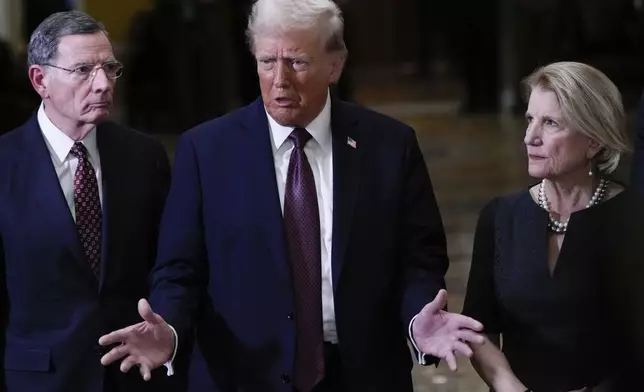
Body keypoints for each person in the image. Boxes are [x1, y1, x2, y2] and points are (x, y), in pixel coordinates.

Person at [98, 0, 485, 391]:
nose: (279, 80)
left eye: (297, 62)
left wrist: (420, 321)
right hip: (243, 377)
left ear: (335, 65)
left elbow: (420, 258)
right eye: (267, 61)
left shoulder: (389, 146)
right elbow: (178, 269)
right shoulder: (206, 151)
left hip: (361, 374)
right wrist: (170, 328)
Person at [0, 11, 180, 392]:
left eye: (109, 68)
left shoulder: (144, 156)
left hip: (132, 376)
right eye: (82, 70)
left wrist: (168, 329)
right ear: (40, 80)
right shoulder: (5, 163)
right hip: (35, 379)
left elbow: (169, 263)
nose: (102, 84)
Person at [462, 61, 644, 391]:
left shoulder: (633, 218)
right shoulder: (500, 217)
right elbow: (479, 328)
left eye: (550, 124)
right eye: (530, 119)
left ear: (594, 141)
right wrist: (508, 385)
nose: (530, 137)